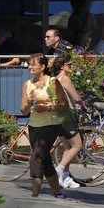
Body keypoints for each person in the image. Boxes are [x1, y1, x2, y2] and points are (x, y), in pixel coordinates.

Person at [19, 53, 81, 198]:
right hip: (34, 125)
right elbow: (23, 110)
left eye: (34, 64)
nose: (31, 67)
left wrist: (47, 108)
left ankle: (35, 193)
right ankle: (57, 191)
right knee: (45, 158)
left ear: (43, 66)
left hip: (51, 124)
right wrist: (28, 103)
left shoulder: (52, 82)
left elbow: (64, 105)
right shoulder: (27, 84)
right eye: (29, 64)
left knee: (36, 156)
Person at [42, 26, 84, 188]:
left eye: (48, 37)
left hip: (56, 114)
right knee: (77, 145)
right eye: (69, 63)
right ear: (63, 65)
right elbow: (76, 97)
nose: (72, 65)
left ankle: (64, 178)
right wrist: (83, 106)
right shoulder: (64, 78)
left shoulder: (55, 75)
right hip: (64, 115)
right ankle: (59, 171)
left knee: (67, 147)